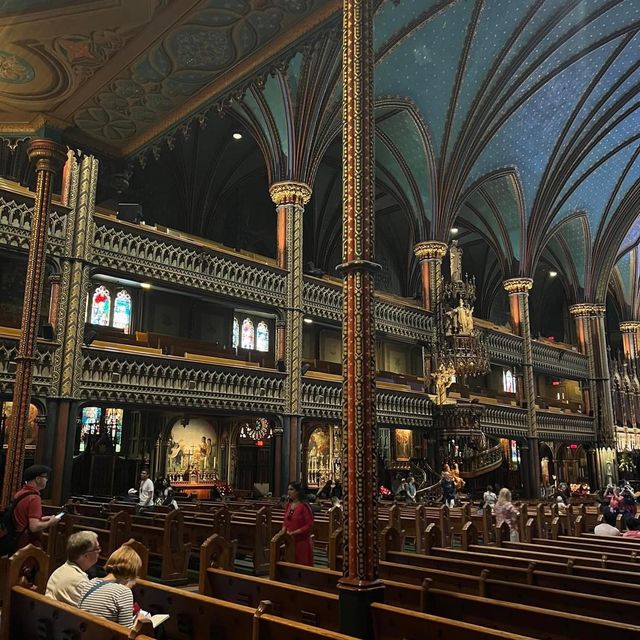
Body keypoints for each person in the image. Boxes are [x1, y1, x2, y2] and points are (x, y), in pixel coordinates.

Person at [78, 545, 143, 628]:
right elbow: (126, 633)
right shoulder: (124, 592)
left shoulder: (91, 582)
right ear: (130, 575)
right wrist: (139, 621)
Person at [11, 464, 60, 551]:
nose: (47, 480)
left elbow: (23, 518)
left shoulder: (20, 493)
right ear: (37, 479)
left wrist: (42, 518)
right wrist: (51, 522)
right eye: (45, 477)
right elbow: (34, 527)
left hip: (15, 538)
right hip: (27, 542)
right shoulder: (34, 498)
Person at [46, 530, 100, 605]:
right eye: (97, 549)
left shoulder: (60, 570)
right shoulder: (80, 582)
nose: (100, 551)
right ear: (85, 555)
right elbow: (94, 610)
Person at [281, 481, 314, 566]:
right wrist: (283, 531)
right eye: (288, 489)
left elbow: (309, 525)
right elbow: (286, 520)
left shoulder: (304, 506)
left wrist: (294, 532)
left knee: (301, 567)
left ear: (298, 491)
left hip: (301, 542)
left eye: (291, 489)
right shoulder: (289, 505)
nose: (288, 492)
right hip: (289, 541)